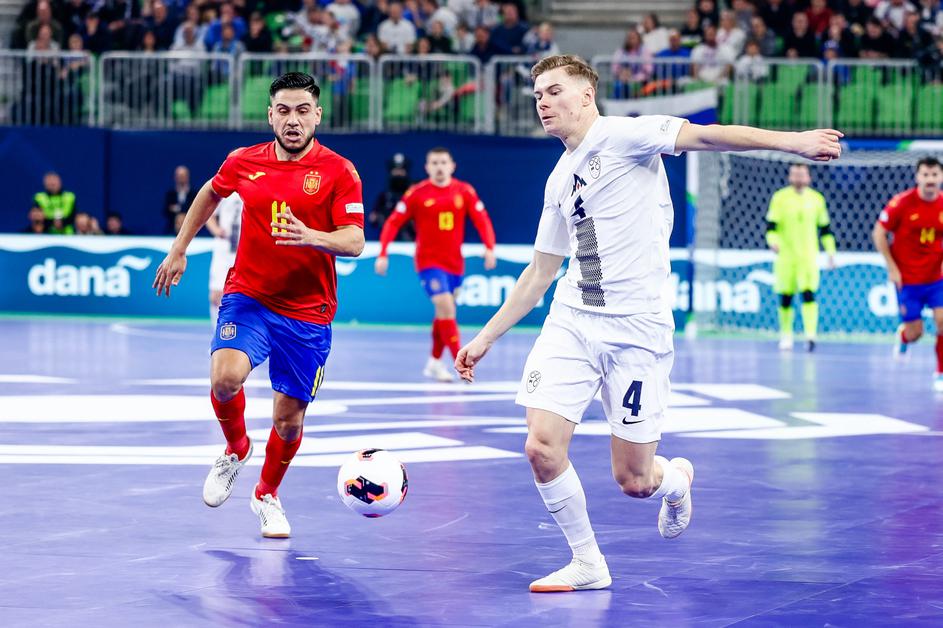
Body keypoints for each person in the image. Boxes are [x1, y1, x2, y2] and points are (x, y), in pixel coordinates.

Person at [455, 54, 842, 592]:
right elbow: (540, 272)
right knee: (540, 446)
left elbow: (708, 136)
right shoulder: (558, 179)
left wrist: (792, 142)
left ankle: (675, 478)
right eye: (537, 94)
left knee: (634, 480)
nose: (543, 102)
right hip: (572, 321)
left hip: (637, 330)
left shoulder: (626, 136)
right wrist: (485, 338)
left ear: (586, 95)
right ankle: (588, 563)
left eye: (554, 91)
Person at [152, 72, 365, 538]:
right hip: (249, 296)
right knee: (225, 378)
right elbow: (210, 192)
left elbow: (354, 241)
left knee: (288, 422)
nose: (293, 120)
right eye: (283, 110)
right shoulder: (243, 161)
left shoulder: (339, 171)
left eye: (303, 110)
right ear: (270, 115)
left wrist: (311, 236)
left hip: (308, 312)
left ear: (317, 116)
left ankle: (266, 493)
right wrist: (179, 248)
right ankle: (236, 447)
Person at [374, 148, 497, 382]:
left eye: (443, 162)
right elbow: (393, 223)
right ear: (427, 167)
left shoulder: (464, 191)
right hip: (428, 263)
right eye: (434, 163)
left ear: (452, 166)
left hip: (455, 265)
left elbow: (482, 220)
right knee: (446, 308)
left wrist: (489, 247)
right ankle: (461, 363)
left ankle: (434, 362)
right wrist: (382, 253)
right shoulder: (416, 193)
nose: (439, 167)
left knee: (443, 314)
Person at [873, 157, 943, 391]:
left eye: (934, 175)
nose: (930, 179)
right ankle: (904, 338)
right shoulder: (902, 203)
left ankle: (941, 372)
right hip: (908, 280)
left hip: (936, 278)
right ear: (917, 177)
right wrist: (892, 268)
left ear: (941, 177)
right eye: (926, 175)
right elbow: (879, 233)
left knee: (942, 321)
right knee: (916, 333)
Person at [765, 162, 836, 352]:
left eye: (801, 174)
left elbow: (825, 230)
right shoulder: (780, 198)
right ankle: (786, 335)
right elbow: (771, 228)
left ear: (808, 177)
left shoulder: (817, 199)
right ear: (790, 177)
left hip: (808, 256)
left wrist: (830, 252)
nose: (798, 178)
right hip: (786, 257)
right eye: (795, 174)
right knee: (786, 297)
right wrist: (772, 241)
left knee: (808, 294)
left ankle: (810, 336)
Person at [206, 192, 244, 329]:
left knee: (244, 298)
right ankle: (216, 333)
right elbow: (208, 212)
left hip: (245, 251)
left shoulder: (255, 189)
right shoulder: (226, 189)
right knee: (216, 296)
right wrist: (216, 230)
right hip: (224, 250)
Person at [164, 165, 197, 234]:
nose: (181, 178)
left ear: (187, 177)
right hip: (171, 230)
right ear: (175, 177)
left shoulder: (194, 194)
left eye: (183, 176)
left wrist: (177, 209)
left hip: (191, 229)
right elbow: (166, 210)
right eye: (179, 176)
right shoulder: (170, 195)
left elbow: (196, 211)